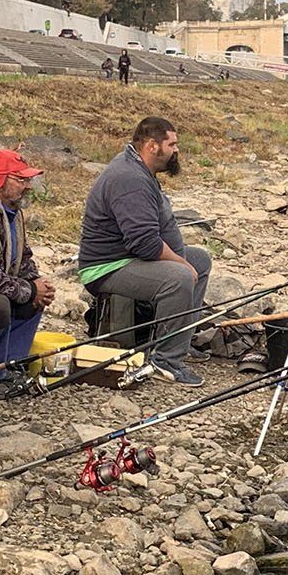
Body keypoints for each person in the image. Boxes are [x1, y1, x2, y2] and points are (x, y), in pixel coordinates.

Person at [77, 116, 211, 385]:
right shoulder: (130, 179)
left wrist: (184, 258)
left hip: (128, 257)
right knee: (179, 277)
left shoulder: (139, 169)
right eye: (172, 144)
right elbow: (145, 243)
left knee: (200, 260)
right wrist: (180, 264)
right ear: (152, 145)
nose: (176, 150)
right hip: (107, 267)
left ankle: (179, 340)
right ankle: (165, 362)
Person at [0, 148, 53, 394]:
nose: (29, 186)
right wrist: (30, 289)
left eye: (28, 179)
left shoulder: (14, 213)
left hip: (0, 285)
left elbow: (23, 257)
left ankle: (13, 364)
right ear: (0, 181)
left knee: (36, 301)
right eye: (21, 180)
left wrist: (37, 284)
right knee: (0, 304)